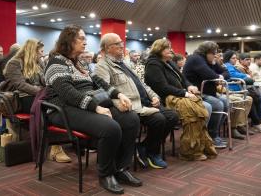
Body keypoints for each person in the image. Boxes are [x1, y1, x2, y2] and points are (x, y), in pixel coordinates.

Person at [45, 25, 141, 194]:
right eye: (81, 38)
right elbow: (68, 93)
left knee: (131, 119)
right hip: (63, 108)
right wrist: (95, 107)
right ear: (69, 41)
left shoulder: (80, 61)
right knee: (110, 127)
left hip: (86, 103)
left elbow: (98, 82)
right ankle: (106, 174)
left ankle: (120, 168)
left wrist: (118, 95)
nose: (85, 42)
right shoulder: (55, 62)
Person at [95, 33, 178, 169]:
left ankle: (143, 147)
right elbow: (105, 90)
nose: (122, 46)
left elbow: (142, 84)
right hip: (131, 105)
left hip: (145, 101)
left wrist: (154, 96)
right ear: (107, 48)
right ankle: (152, 152)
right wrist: (121, 103)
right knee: (159, 119)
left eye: (121, 42)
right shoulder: (102, 66)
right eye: (117, 44)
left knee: (172, 116)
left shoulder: (124, 64)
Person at [0, 39, 72, 163]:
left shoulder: (38, 62)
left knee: (62, 102)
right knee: (51, 108)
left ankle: (60, 143)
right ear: (31, 51)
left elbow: (46, 81)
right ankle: (55, 148)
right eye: (40, 51)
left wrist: (54, 86)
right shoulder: (14, 63)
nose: (42, 54)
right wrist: (41, 92)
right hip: (23, 98)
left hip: (40, 95)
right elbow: (20, 85)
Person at [144, 39, 215, 161]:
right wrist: (185, 93)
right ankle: (189, 150)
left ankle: (199, 145)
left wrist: (189, 86)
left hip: (178, 94)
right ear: (159, 50)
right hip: (165, 98)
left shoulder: (169, 62)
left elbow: (183, 78)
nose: (170, 50)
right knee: (199, 110)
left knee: (206, 107)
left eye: (170, 47)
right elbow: (162, 88)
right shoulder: (153, 64)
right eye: (167, 48)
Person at [183, 41, 229, 148]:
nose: (216, 56)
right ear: (207, 52)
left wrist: (220, 76)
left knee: (226, 102)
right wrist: (218, 76)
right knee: (218, 104)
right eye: (214, 53)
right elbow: (209, 75)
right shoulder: (196, 59)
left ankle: (212, 132)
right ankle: (211, 135)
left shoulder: (210, 61)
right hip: (196, 92)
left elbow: (226, 73)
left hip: (208, 92)